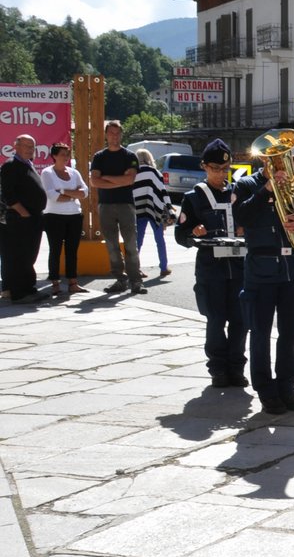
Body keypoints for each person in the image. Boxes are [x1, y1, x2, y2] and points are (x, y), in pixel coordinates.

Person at [235, 151, 294, 415]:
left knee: (291, 332)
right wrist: (267, 189)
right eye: (276, 159)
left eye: (286, 158)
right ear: (264, 161)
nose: (282, 164)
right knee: (260, 333)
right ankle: (265, 390)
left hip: (292, 268)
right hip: (261, 270)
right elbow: (241, 217)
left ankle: (287, 387)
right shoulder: (246, 185)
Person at [175, 140, 248, 386]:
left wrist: (244, 226)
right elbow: (180, 233)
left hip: (239, 267)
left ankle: (237, 367)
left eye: (225, 167)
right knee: (216, 319)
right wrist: (193, 231)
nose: (220, 173)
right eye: (215, 167)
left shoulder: (239, 193)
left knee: (240, 319)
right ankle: (217, 368)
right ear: (204, 166)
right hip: (211, 269)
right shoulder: (193, 197)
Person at [89, 121, 140, 294]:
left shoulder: (130, 156)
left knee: (131, 244)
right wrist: (118, 180)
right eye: (111, 133)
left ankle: (136, 281)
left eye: (117, 133)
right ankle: (120, 278)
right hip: (105, 206)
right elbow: (94, 181)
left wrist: (106, 178)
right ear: (106, 134)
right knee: (111, 245)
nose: (114, 136)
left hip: (126, 205)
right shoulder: (99, 157)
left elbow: (129, 180)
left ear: (121, 135)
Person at [1, 134, 47, 304]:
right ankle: (19, 293)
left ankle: (29, 288)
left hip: (33, 217)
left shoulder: (28, 164)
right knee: (19, 256)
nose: (30, 149)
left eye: (32, 146)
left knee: (29, 256)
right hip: (21, 219)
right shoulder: (11, 165)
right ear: (16, 146)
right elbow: (9, 195)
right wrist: (24, 213)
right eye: (26, 146)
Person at [41, 143, 87, 295]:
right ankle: (55, 282)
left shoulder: (74, 172)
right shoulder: (47, 172)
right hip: (53, 216)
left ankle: (73, 282)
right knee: (55, 250)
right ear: (54, 156)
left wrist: (63, 191)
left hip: (74, 216)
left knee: (72, 250)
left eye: (68, 154)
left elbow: (84, 192)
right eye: (63, 154)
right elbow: (53, 197)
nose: (66, 157)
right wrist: (72, 194)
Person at [132, 148, 174, 284]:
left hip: (137, 209)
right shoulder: (155, 172)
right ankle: (163, 267)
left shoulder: (133, 172)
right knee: (159, 239)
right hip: (155, 209)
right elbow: (162, 192)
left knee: (138, 240)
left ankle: (135, 269)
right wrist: (170, 209)